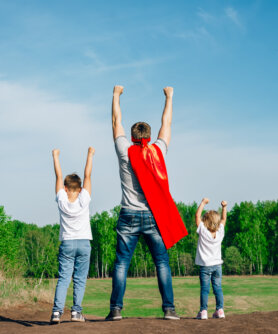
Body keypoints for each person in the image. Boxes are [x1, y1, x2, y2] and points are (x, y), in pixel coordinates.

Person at [107, 85, 187, 321]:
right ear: (149, 137)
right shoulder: (158, 151)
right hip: (154, 216)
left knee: (122, 263)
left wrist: (116, 95)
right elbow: (167, 124)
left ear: (131, 137)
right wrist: (170, 97)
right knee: (162, 263)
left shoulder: (124, 151)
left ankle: (116, 310)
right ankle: (169, 310)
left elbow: (115, 121)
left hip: (128, 214)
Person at [50, 147, 95, 324]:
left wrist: (55, 156)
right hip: (84, 244)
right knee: (79, 279)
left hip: (67, 243)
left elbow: (58, 178)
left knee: (63, 278)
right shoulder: (84, 199)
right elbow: (88, 176)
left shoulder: (61, 199)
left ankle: (56, 313)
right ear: (80, 188)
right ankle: (76, 312)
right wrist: (90, 155)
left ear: (66, 188)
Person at [195, 198, 227, 320]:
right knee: (217, 288)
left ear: (206, 221)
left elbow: (197, 216)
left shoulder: (203, 231)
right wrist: (224, 207)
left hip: (205, 266)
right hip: (217, 265)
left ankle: (203, 311)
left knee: (205, 289)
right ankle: (220, 310)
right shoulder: (220, 232)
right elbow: (224, 219)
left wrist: (202, 203)